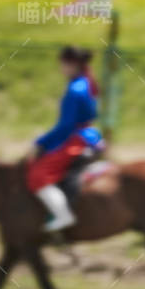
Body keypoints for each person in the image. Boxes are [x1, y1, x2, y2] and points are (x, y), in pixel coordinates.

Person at [26, 46, 104, 232]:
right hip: (89, 135)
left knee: (38, 175)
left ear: (72, 65)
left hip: (76, 139)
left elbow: (65, 126)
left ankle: (62, 215)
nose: (61, 68)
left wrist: (39, 143)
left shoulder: (75, 90)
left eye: (63, 64)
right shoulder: (88, 83)